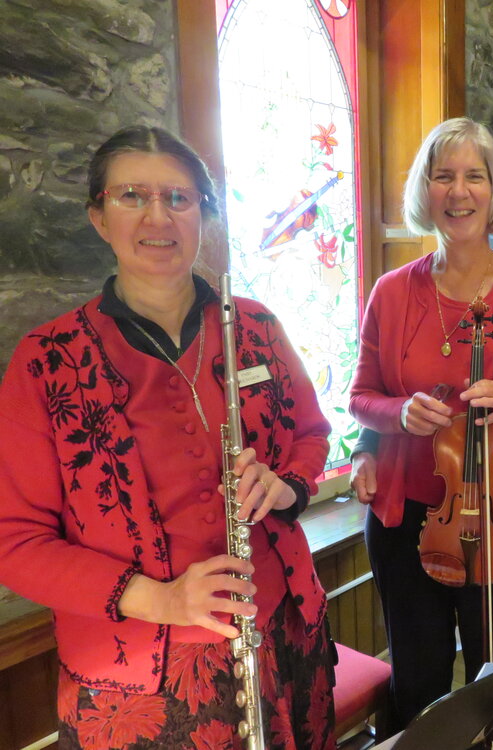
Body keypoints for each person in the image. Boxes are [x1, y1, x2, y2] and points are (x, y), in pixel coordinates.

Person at [0, 126, 337, 749]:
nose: (159, 215)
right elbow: (16, 543)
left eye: (180, 198)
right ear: (99, 217)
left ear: (204, 215)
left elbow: (311, 437)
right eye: (133, 196)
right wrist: (161, 599)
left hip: (284, 635)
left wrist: (285, 486)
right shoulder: (46, 361)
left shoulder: (255, 325)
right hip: (140, 685)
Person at [348, 117, 493, 732]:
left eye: (474, 176)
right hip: (408, 524)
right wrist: (397, 414)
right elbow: (360, 398)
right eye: (442, 176)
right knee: (417, 677)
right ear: (425, 193)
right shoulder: (391, 293)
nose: (459, 191)